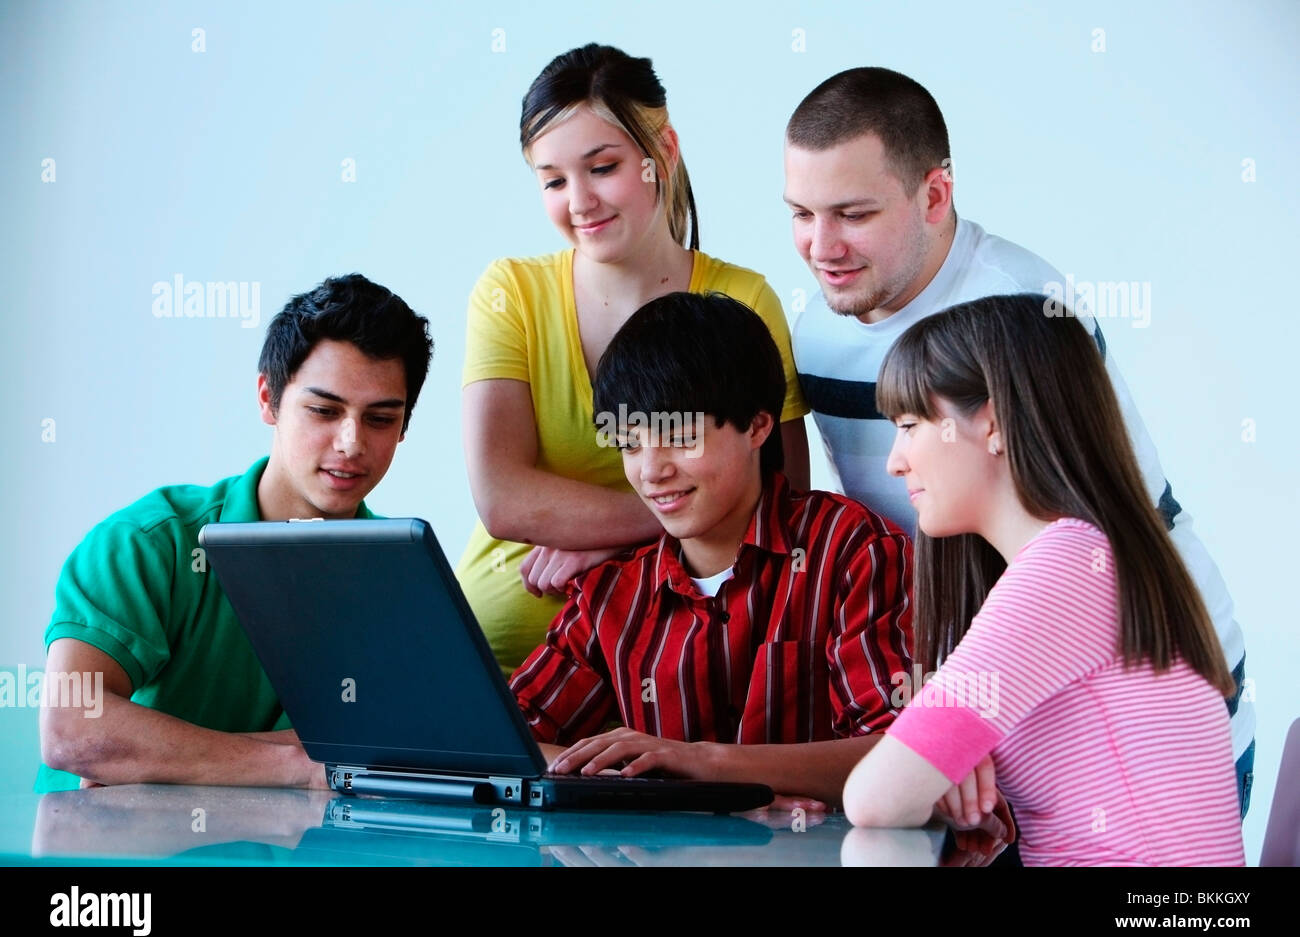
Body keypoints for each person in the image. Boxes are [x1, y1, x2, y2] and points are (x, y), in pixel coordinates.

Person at [782, 66, 1254, 817]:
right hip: (995, 697)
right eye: (801, 214)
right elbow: (902, 537)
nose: (821, 245)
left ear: (936, 195)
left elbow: (1074, 559)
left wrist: (958, 714)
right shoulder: (815, 334)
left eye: (852, 213)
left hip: (1137, 695)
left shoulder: (1019, 308)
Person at [842, 294, 1245, 866]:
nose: (895, 461)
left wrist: (929, 761)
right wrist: (950, 754)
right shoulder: (1089, 555)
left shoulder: (1069, 567)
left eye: (910, 425)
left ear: (994, 423)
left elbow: (873, 799)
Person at [458, 43, 811, 677]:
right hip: (494, 660)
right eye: (553, 181)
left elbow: (780, 499)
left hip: (674, 668)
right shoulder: (509, 292)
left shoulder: (743, 299)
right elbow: (502, 498)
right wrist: (675, 514)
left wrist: (619, 537)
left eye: (603, 167)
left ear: (663, 153)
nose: (580, 201)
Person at [509, 292, 910, 807]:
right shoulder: (612, 592)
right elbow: (500, 745)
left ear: (758, 427)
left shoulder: (853, 552)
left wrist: (704, 765)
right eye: (630, 444)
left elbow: (905, 755)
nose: (651, 471)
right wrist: (690, 792)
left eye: (678, 437)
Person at [38, 274, 433, 790]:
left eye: (380, 419)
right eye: (323, 410)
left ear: (404, 427)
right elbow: (71, 728)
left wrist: (153, 756)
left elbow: (418, 748)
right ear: (268, 398)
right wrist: (298, 764)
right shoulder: (149, 544)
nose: (351, 443)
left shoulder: (408, 578)